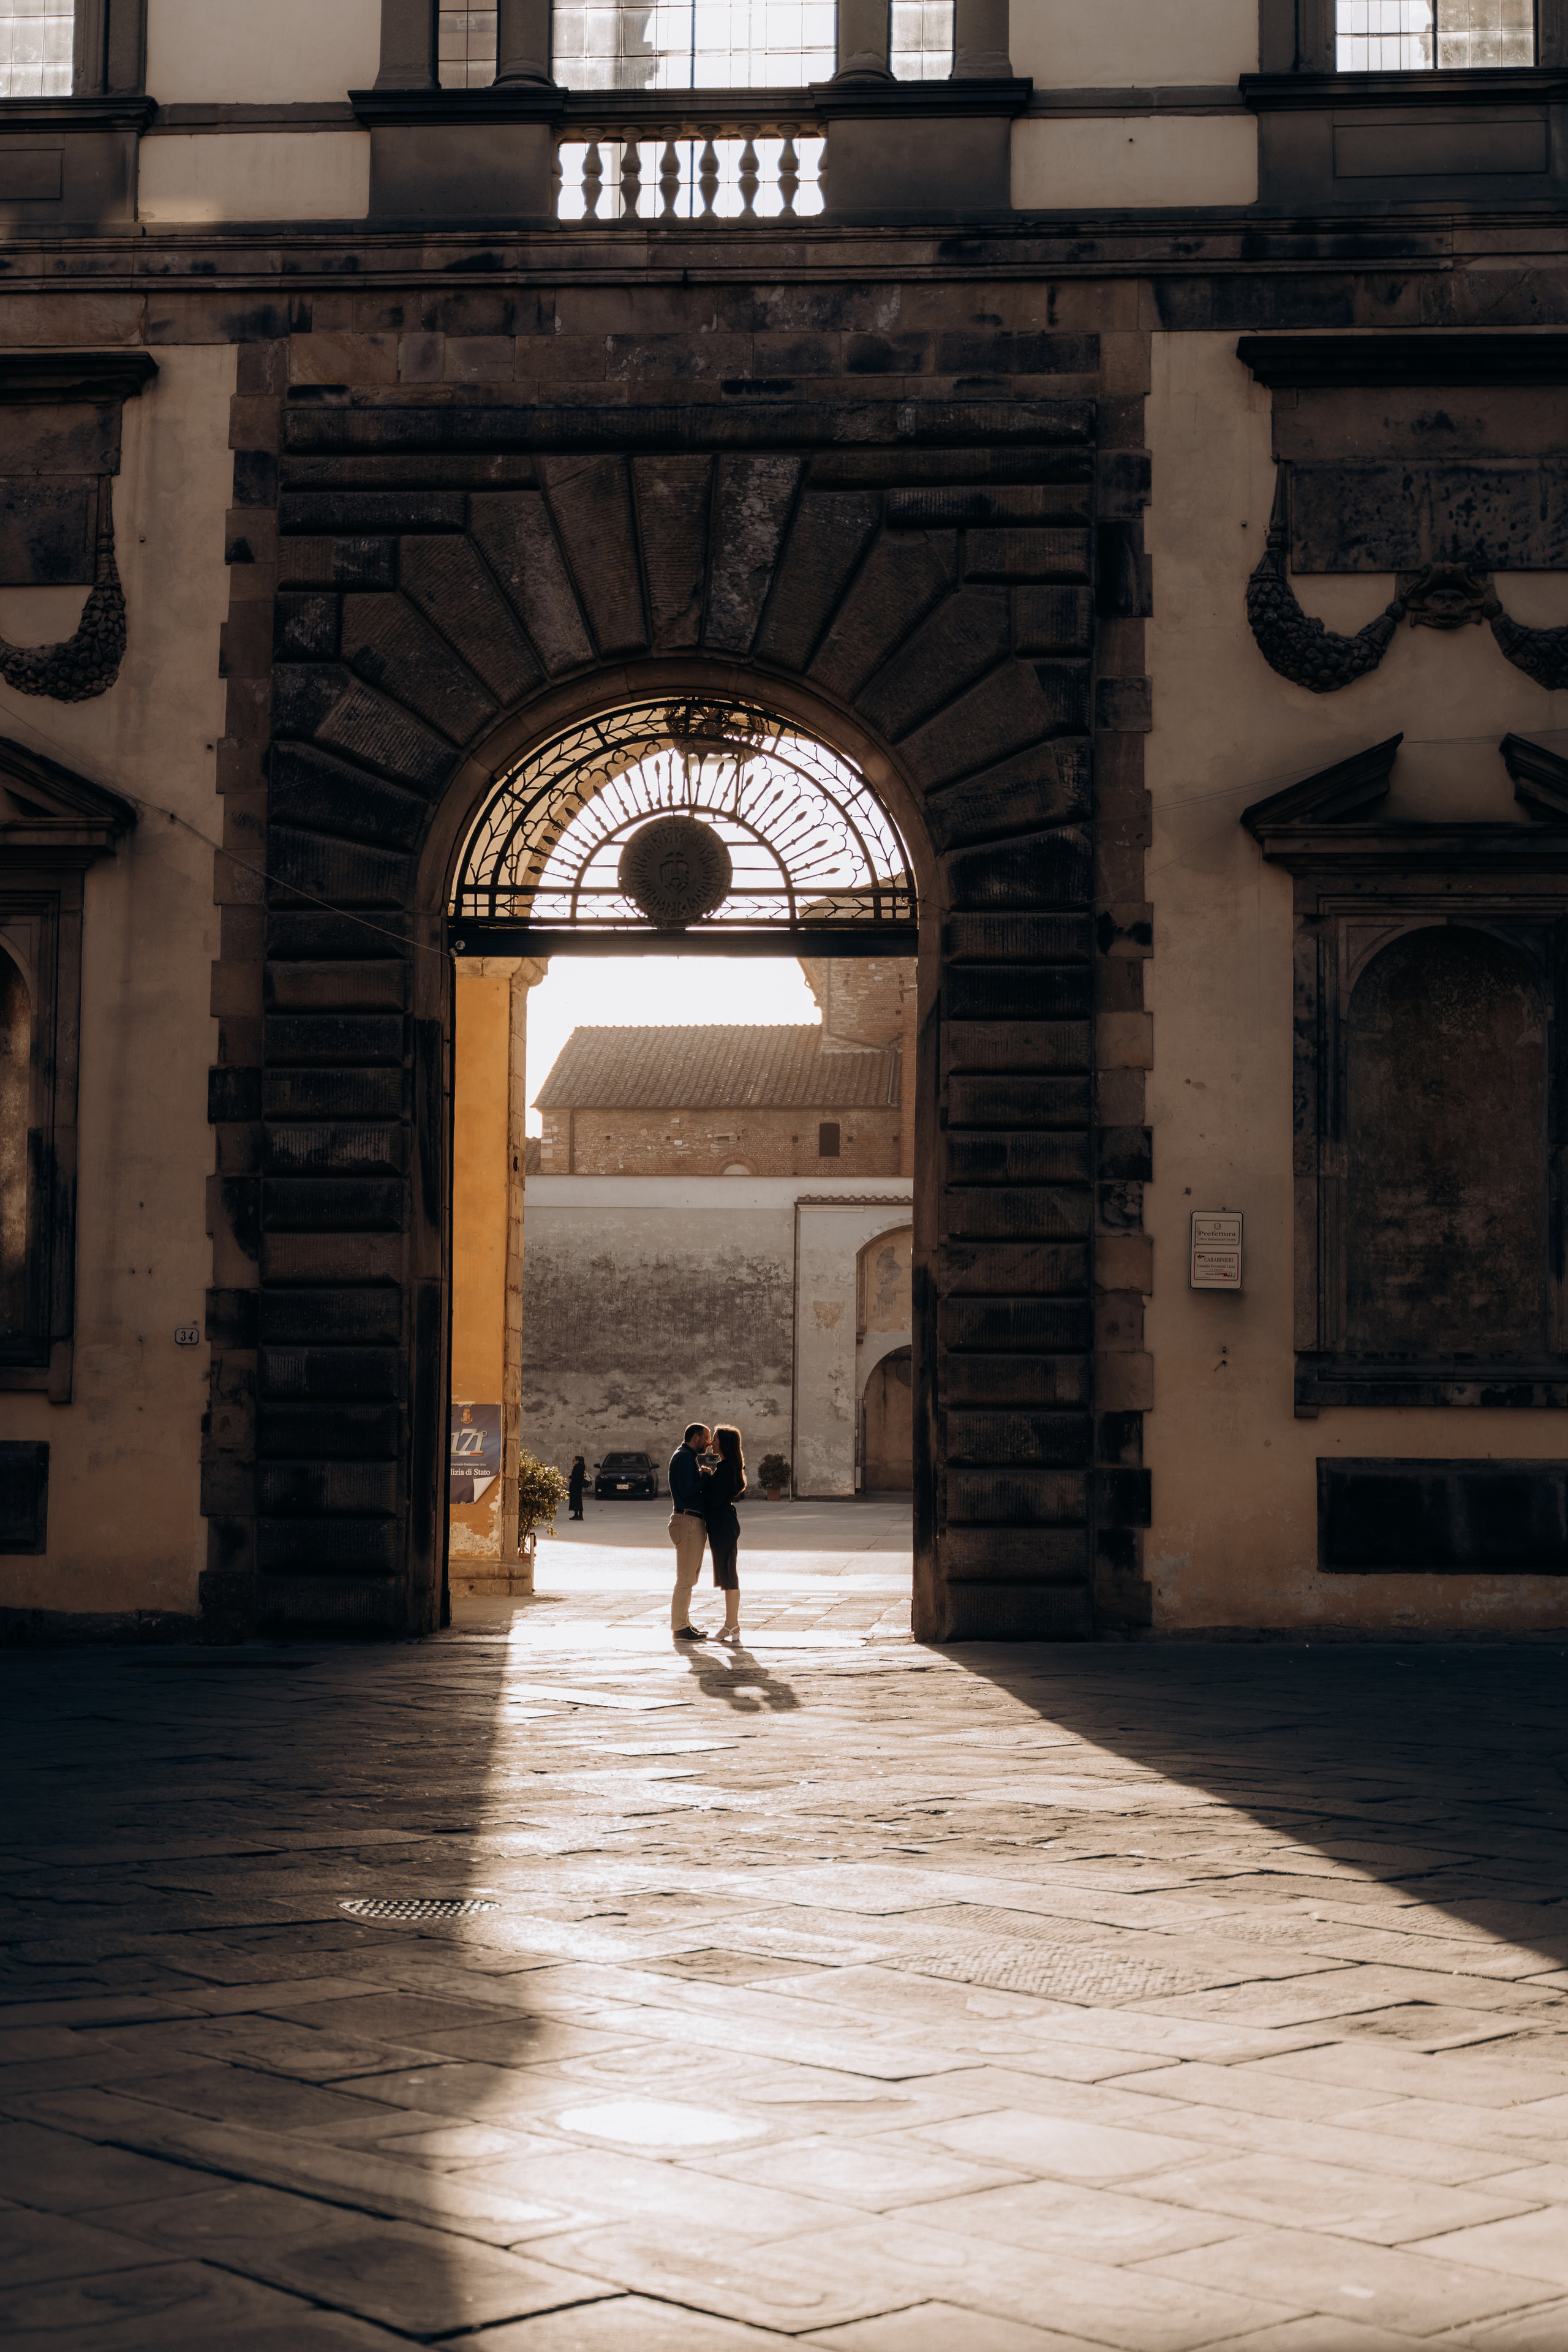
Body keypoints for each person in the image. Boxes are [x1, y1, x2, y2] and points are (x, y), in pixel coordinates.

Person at [666, 1422, 712, 1638]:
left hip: (691, 1521)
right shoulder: (684, 1457)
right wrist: (705, 1477)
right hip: (688, 1521)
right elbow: (688, 1490)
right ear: (695, 1437)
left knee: (689, 1578)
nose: (709, 1443)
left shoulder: (687, 1456)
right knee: (685, 1578)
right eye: (706, 1438)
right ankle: (679, 1627)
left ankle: (684, 1622)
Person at [707, 1423, 746, 1642]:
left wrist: (704, 1480)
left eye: (715, 1438)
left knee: (729, 1575)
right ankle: (731, 1625)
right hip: (724, 1524)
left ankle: (732, 1625)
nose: (712, 1442)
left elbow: (714, 1499)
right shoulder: (726, 1467)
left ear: (724, 1443)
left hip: (723, 1525)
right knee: (727, 1574)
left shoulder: (726, 1468)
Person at [567, 1455, 586, 1521]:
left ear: (578, 1461)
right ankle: (576, 1514)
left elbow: (576, 1477)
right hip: (576, 1486)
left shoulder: (579, 1468)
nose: (573, 1462)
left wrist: (570, 1476)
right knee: (576, 1500)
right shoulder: (579, 1467)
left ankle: (579, 1515)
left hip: (576, 1486)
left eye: (574, 1460)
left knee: (577, 1500)